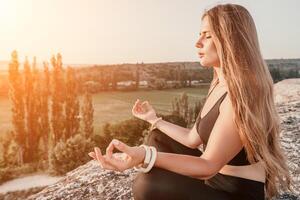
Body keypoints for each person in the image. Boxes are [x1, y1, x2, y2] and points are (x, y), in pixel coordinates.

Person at [88, 3, 292, 200]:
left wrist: (144, 156)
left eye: (208, 35)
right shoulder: (219, 84)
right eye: (199, 34)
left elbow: (207, 166)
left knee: (146, 186)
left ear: (231, 40)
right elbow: (192, 139)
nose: (198, 42)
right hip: (215, 179)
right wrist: (154, 120)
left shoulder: (241, 95)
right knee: (158, 137)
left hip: (235, 193)